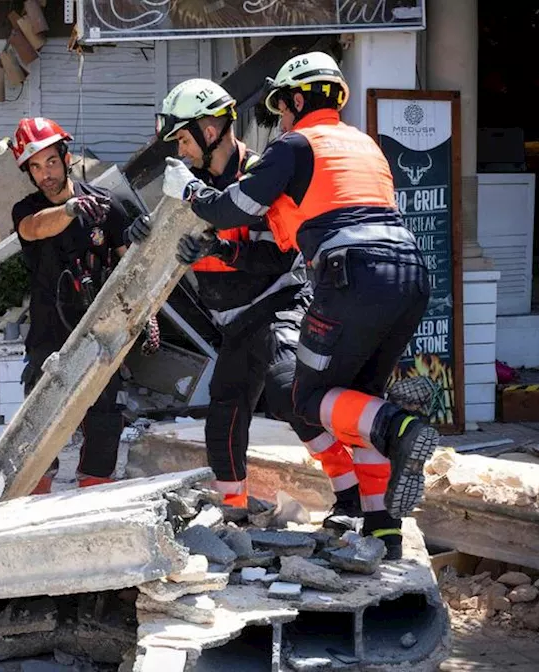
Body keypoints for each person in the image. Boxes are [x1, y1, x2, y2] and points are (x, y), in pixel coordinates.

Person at [137, 53, 437, 559]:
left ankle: (398, 426)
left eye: (280, 107)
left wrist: (195, 203)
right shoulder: (362, 144)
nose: (277, 120)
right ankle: (382, 527)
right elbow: (281, 230)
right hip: (408, 271)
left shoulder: (290, 149)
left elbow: (241, 217)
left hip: (336, 281)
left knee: (302, 396)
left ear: (298, 100)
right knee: (346, 401)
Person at [148, 79, 369, 528]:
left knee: (289, 390)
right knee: (226, 415)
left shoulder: (260, 174)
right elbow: (158, 237)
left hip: (277, 303)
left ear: (210, 131)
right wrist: (139, 232)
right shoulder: (193, 181)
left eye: (185, 139)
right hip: (234, 322)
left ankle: (353, 493)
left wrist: (220, 251)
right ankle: (233, 515)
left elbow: (277, 255)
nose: (182, 151)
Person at [5, 117, 137, 493]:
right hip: (49, 336)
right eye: (35, 166)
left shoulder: (107, 206)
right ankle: (35, 509)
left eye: (50, 162)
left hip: (101, 333)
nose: (45, 173)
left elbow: (130, 266)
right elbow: (33, 228)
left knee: (105, 421)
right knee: (39, 428)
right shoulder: (26, 210)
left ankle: (91, 501)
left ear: (65, 157)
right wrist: (70, 210)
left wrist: (141, 317)